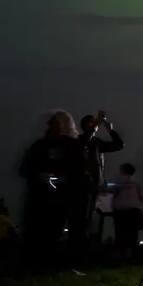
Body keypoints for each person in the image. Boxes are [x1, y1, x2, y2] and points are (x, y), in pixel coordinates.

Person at [19, 111, 85, 268]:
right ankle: (36, 265)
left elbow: (78, 170)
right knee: (38, 232)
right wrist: (39, 175)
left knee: (56, 231)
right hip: (39, 197)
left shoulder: (72, 146)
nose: (49, 127)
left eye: (54, 123)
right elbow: (24, 169)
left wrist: (63, 178)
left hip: (61, 198)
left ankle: (54, 265)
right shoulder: (39, 146)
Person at [111, 162, 143, 260]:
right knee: (132, 233)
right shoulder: (137, 182)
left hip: (120, 210)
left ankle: (118, 255)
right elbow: (142, 196)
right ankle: (131, 255)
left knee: (120, 232)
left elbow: (112, 191)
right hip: (134, 209)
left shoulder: (118, 181)